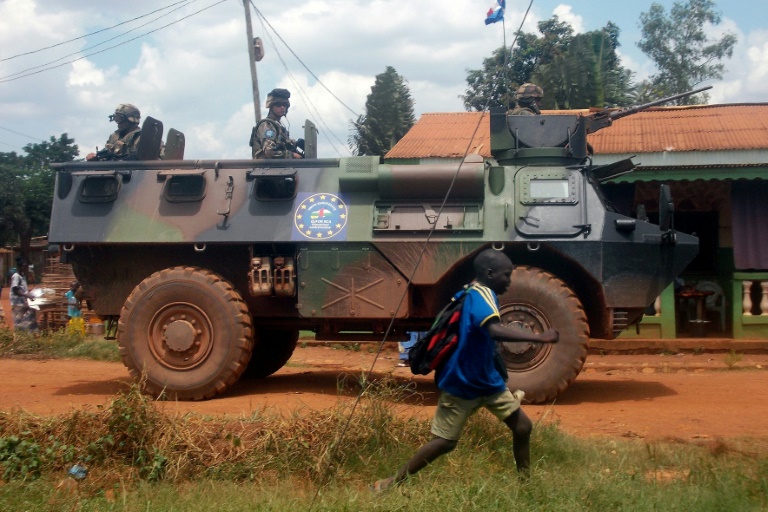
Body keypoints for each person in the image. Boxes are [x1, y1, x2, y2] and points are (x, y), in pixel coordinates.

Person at [372, 249, 559, 491]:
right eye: (506, 275)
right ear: (490, 274)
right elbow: (494, 330)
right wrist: (540, 337)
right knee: (445, 442)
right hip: (463, 384)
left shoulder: (474, 290)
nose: (509, 280)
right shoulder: (482, 295)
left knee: (523, 427)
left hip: (488, 383)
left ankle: (526, 485)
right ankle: (390, 483)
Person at [250, 88, 303, 159]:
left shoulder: (279, 127)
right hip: (265, 167)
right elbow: (269, 152)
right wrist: (292, 155)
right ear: (271, 106)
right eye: (278, 105)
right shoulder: (267, 125)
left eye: (284, 105)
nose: (282, 107)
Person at [10, 258, 39, 332]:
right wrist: (28, 296)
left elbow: (22, 289)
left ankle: (28, 336)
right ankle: (19, 338)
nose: (26, 268)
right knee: (19, 322)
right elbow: (15, 290)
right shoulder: (16, 276)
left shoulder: (22, 276)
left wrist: (30, 292)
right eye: (25, 266)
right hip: (17, 304)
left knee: (29, 320)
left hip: (23, 303)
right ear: (21, 267)